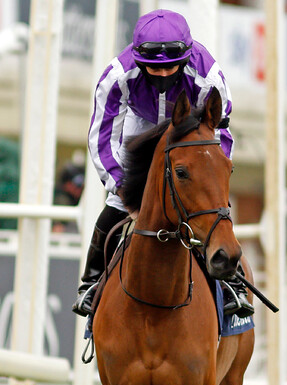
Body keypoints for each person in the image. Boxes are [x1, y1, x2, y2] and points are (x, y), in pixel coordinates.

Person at [73, 9, 253, 318]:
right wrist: (124, 187)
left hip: (192, 125)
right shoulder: (116, 76)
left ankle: (232, 284)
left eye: (171, 68)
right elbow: (102, 138)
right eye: (153, 70)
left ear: (185, 58)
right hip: (139, 124)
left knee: (208, 200)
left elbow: (221, 134)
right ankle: (90, 282)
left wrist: (210, 177)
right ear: (138, 59)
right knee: (117, 200)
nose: (163, 76)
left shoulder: (209, 77)